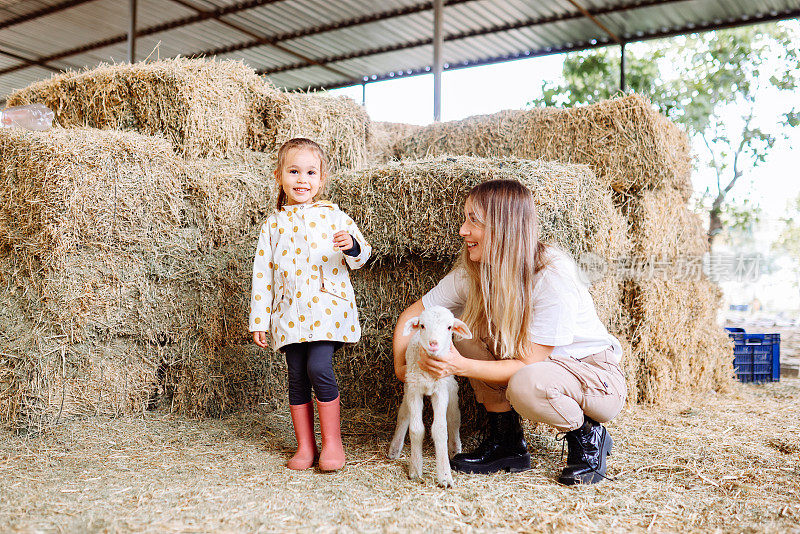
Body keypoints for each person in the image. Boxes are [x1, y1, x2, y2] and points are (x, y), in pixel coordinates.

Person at [392, 179, 626, 485]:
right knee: (465, 328)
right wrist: (403, 368)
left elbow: (530, 364)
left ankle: (588, 436)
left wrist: (458, 365)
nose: (463, 230)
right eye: (465, 219)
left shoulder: (551, 275)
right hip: (538, 366)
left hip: (593, 375)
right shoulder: (474, 271)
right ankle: (508, 444)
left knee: (526, 384)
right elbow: (414, 314)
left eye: (473, 221)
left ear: (504, 228)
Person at [250, 138, 371, 472]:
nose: (302, 179)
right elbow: (263, 275)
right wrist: (260, 320)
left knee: (319, 368)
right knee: (297, 378)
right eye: (293, 171)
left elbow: (363, 257)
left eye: (309, 172)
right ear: (279, 176)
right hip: (289, 314)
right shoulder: (272, 226)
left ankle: (333, 444)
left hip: (327, 311)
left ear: (322, 179)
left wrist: (352, 246)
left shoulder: (334, 217)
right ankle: (306, 447)